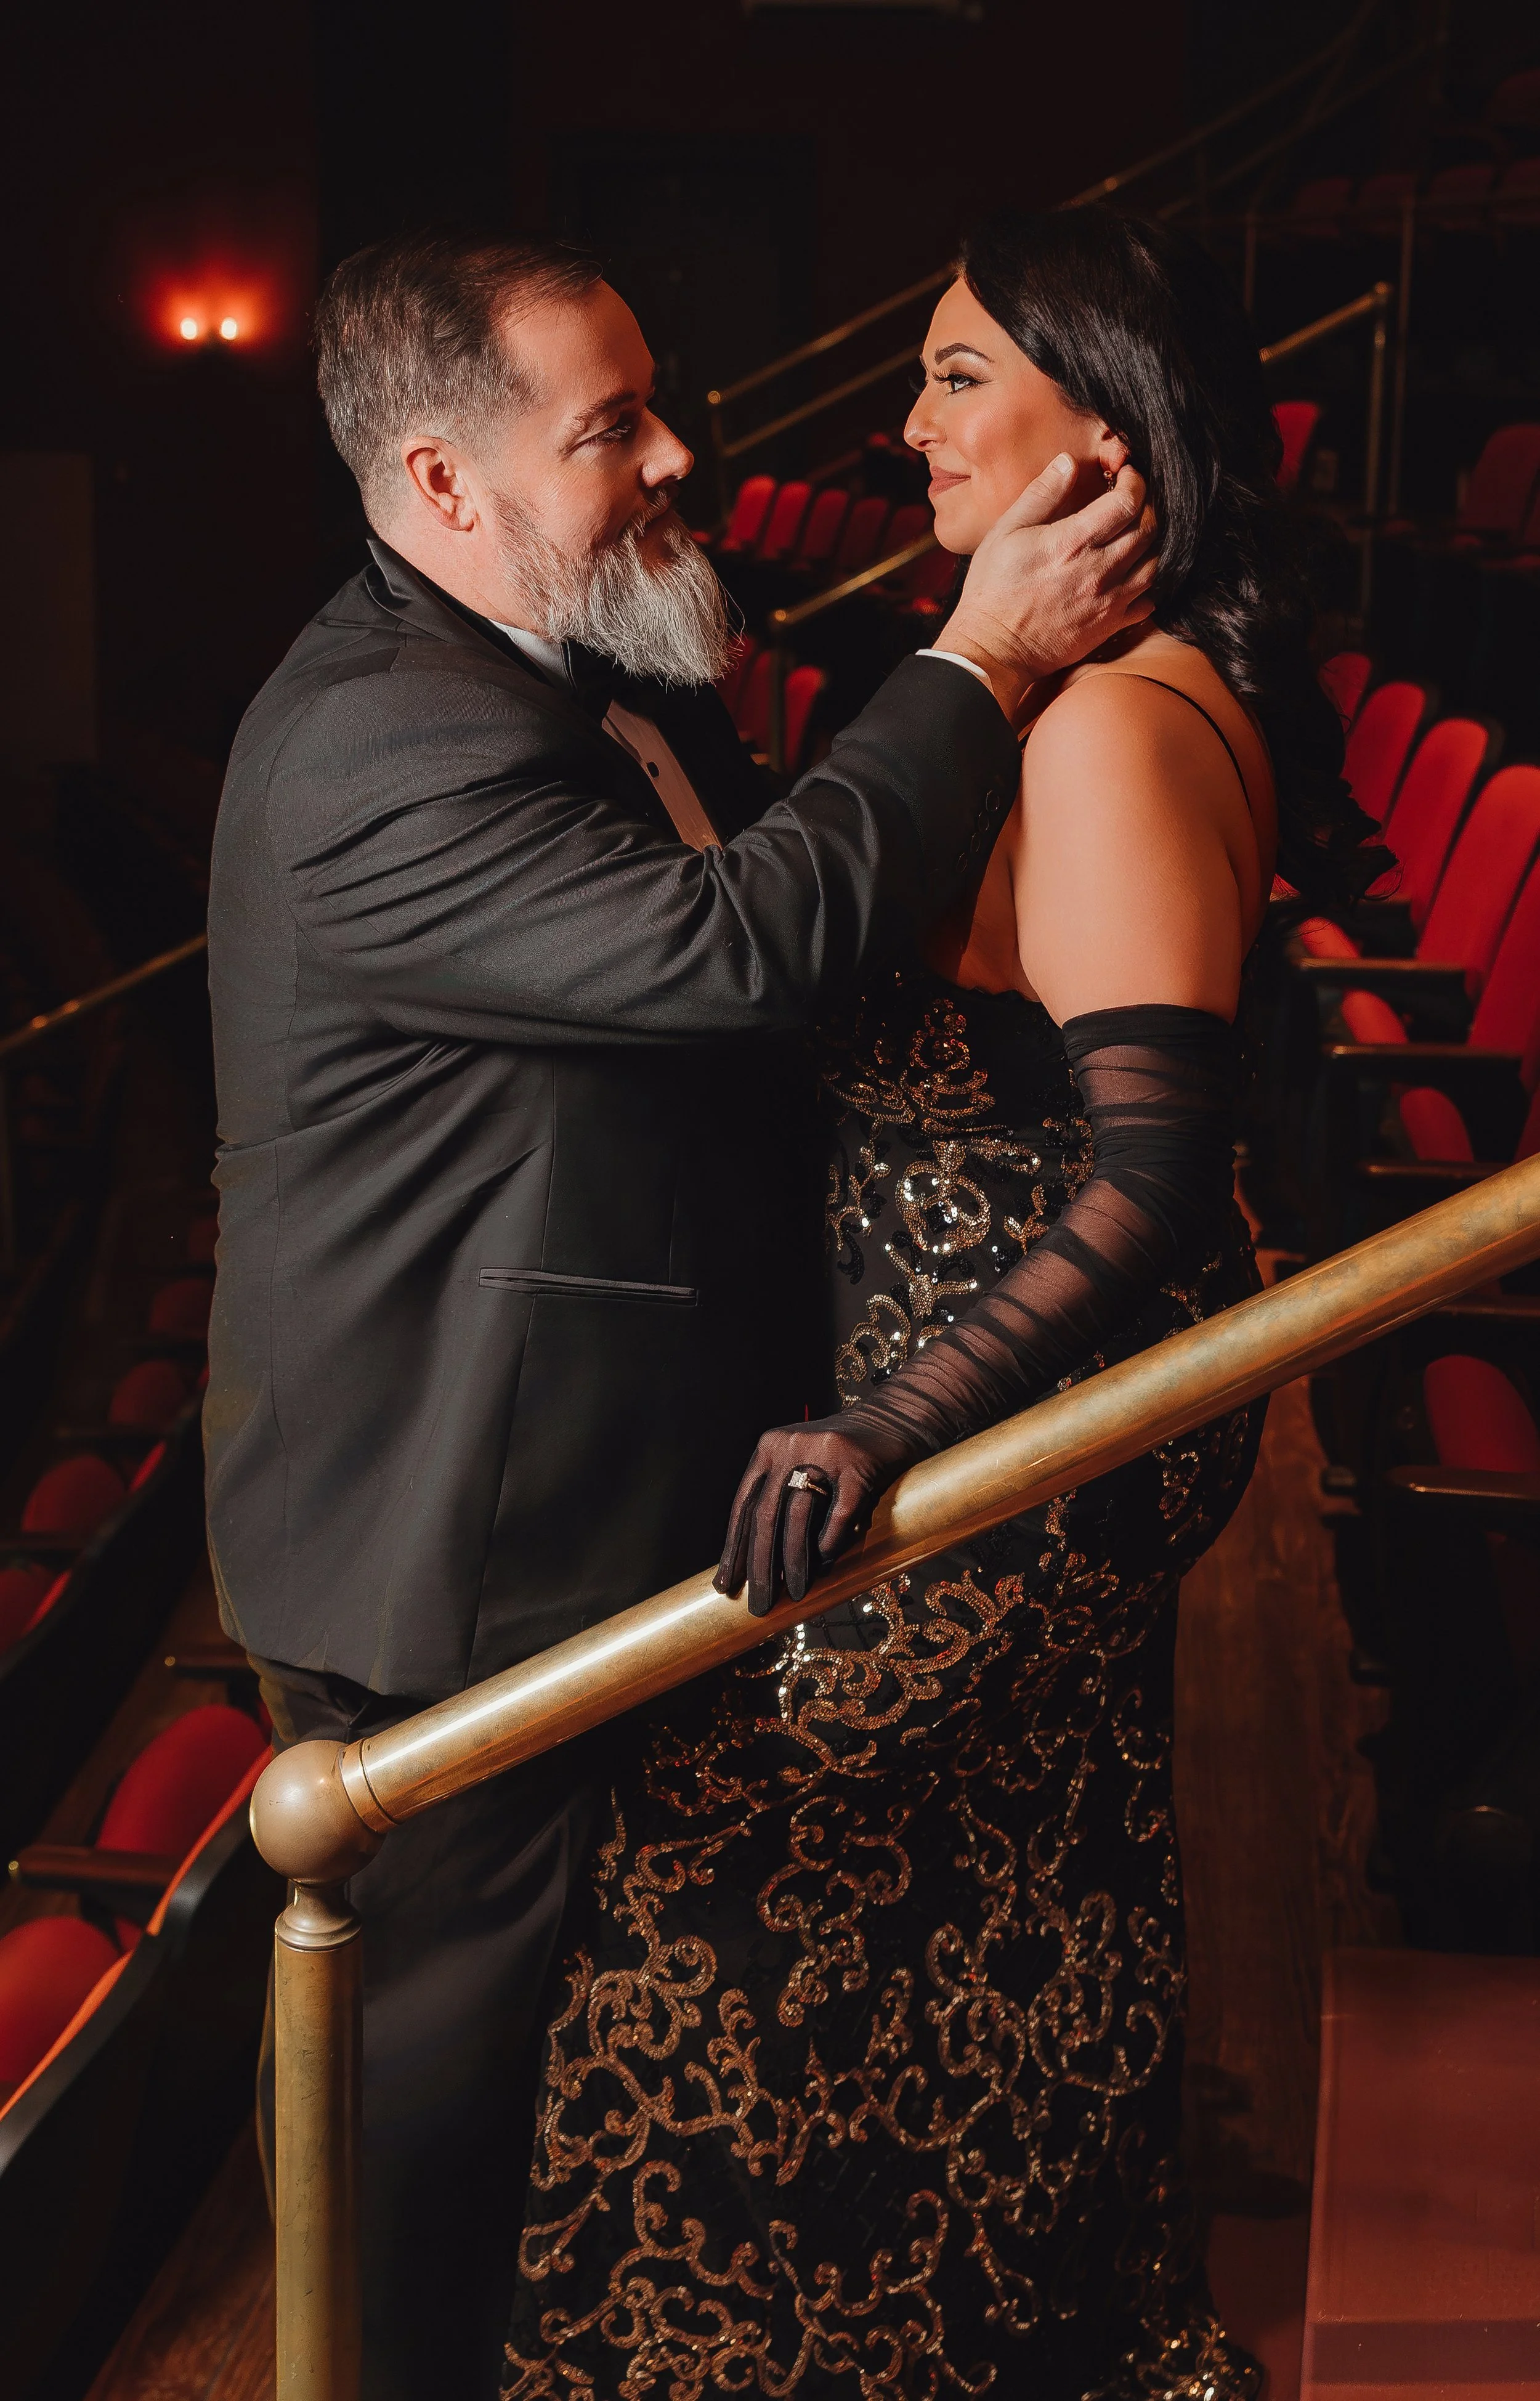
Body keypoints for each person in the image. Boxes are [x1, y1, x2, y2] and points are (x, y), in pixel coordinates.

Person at [203, 228, 1156, 2400]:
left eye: (656, 404)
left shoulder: (577, 659)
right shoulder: (377, 742)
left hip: (600, 1477)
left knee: (573, 2071)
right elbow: (743, 954)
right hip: (456, 1527)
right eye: (609, 428)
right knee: (426, 2119)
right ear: (441, 484)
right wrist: (987, 658)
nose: (673, 457)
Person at [502, 209, 1388, 2399]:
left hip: (1026, 1412)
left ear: (1113, 431)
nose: (909, 424)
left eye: (959, 374)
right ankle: (1007, 2325)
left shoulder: (1110, 734)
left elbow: (1157, 1182)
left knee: (713, 1862)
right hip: (977, 1389)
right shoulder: (1079, 693)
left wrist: (885, 1427)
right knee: (1012, 1871)